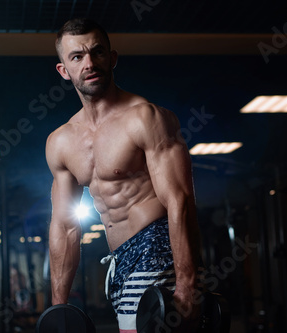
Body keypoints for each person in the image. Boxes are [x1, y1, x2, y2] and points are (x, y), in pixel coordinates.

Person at [46, 18, 202, 332]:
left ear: (112, 58)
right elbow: (64, 227)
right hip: (118, 261)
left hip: (156, 249)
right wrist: (58, 309)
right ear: (64, 70)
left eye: (97, 52)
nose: (89, 63)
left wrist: (186, 283)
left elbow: (180, 201)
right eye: (77, 57)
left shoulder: (145, 117)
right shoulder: (60, 142)